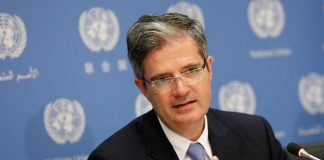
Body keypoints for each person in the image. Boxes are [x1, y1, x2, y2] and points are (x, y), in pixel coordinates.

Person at [88, 12, 288, 160]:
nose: (181, 90)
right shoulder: (112, 158)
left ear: (209, 69)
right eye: (162, 79)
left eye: (190, 71)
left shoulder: (256, 133)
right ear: (144, 89)